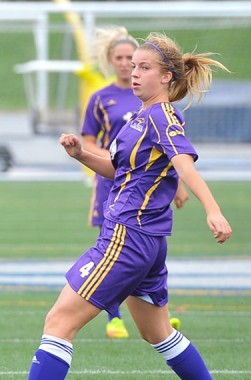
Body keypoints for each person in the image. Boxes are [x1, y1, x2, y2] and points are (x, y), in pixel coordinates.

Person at [22, 31, 232, 380]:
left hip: (126, 238)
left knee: (58, 323)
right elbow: (120, 170)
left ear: (167, 76)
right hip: (148, 241)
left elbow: (184, 164)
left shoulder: (163, 117)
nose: (134, 73)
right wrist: (82, 155)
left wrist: (213, 210)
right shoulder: (139, 117)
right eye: (133, 66)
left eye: (144, 67)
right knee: (158, 333)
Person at [81, 26, 187, 339]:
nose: (127, 64)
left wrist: (179, 186)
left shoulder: (152, 102)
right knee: (110, 253)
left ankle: (157, 318)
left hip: (144, 190)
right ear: (111, 61)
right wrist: (114, 161)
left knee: (142, 255)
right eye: (121, 58)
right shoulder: (101, 99)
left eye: (133, 58)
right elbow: (91, 140)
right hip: (112, 184)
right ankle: (114, 317)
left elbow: (169, 152)